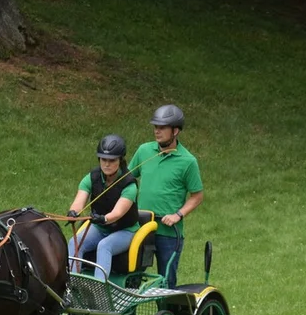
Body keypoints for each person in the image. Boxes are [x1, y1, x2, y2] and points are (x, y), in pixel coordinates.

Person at [127, 104, 203, 288]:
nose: (157, 131)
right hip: (141, 227)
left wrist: (178, 215)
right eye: (155, 127)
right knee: (131, 280)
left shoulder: (188, 161)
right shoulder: (144, 151)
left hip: (168, 233)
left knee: (166, 283)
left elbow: (197, 196)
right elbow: (127, 180)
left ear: (175, 131)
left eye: (162, 128)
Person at [65, 134, 140, 281]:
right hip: (100, 228)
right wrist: (74, 212)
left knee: (104, 245)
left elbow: (117, 213)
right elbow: (79, 201)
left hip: (124, 230)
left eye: (112, 160)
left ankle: (100, 289)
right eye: (103, 159)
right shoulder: (91, 177)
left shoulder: (129, 184)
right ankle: (73, 284)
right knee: (74, 242)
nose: (106, 164)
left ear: (120, 160)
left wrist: (104, 218)